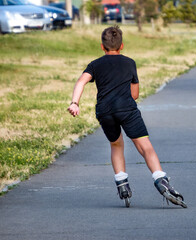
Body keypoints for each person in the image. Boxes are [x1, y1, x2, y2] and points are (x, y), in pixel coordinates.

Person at [67, 25, 187, 208]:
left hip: (105, 111)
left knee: (116, 145)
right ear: (121, 46)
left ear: (102, 46)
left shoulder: (95, 64)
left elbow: (81, 81)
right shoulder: (129, 63)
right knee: (145, 147)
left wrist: (75, 103)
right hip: (127, 109)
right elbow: (135, 94)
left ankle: (122, 185)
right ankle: (161, 180)